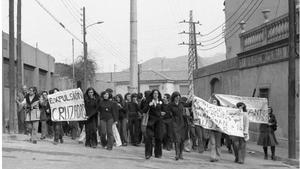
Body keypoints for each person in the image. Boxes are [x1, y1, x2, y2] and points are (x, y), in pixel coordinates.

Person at [143, 89, 166, 159]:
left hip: (159, 122)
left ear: (158, 94)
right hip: (150, 122)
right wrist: (149, 105)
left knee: (158, 138)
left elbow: (165, 110)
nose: (156, 95)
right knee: (148, 138)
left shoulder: (161, 102)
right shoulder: (149, 101)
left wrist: (163, 113)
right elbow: (144, 111)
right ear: (152, 95)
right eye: (154, 93)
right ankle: (148, 154)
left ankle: (158, 154)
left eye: (157, 93)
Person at [168, 91, 187, 160]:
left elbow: (188, 106)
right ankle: (177, 154)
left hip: (182, 123)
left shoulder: (182, 104)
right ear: (174, 97)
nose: (177, 99)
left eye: (178, 97)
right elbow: (168, 113)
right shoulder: (170, 105)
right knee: (177, 139)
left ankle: (181, 154)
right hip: (175, 123)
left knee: (182, 139)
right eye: (176, 97)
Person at [209, 97, 223, 162]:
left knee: (218, 144)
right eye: (213, 102)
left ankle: (218, 156)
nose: (213, 103)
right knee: (212, 143)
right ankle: (213, 157)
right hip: (211, 128)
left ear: (217, 103)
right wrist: (210, 98)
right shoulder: (210, 110)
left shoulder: (220, 110)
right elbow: (206, 105)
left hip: (218, 129)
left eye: (215, 102)